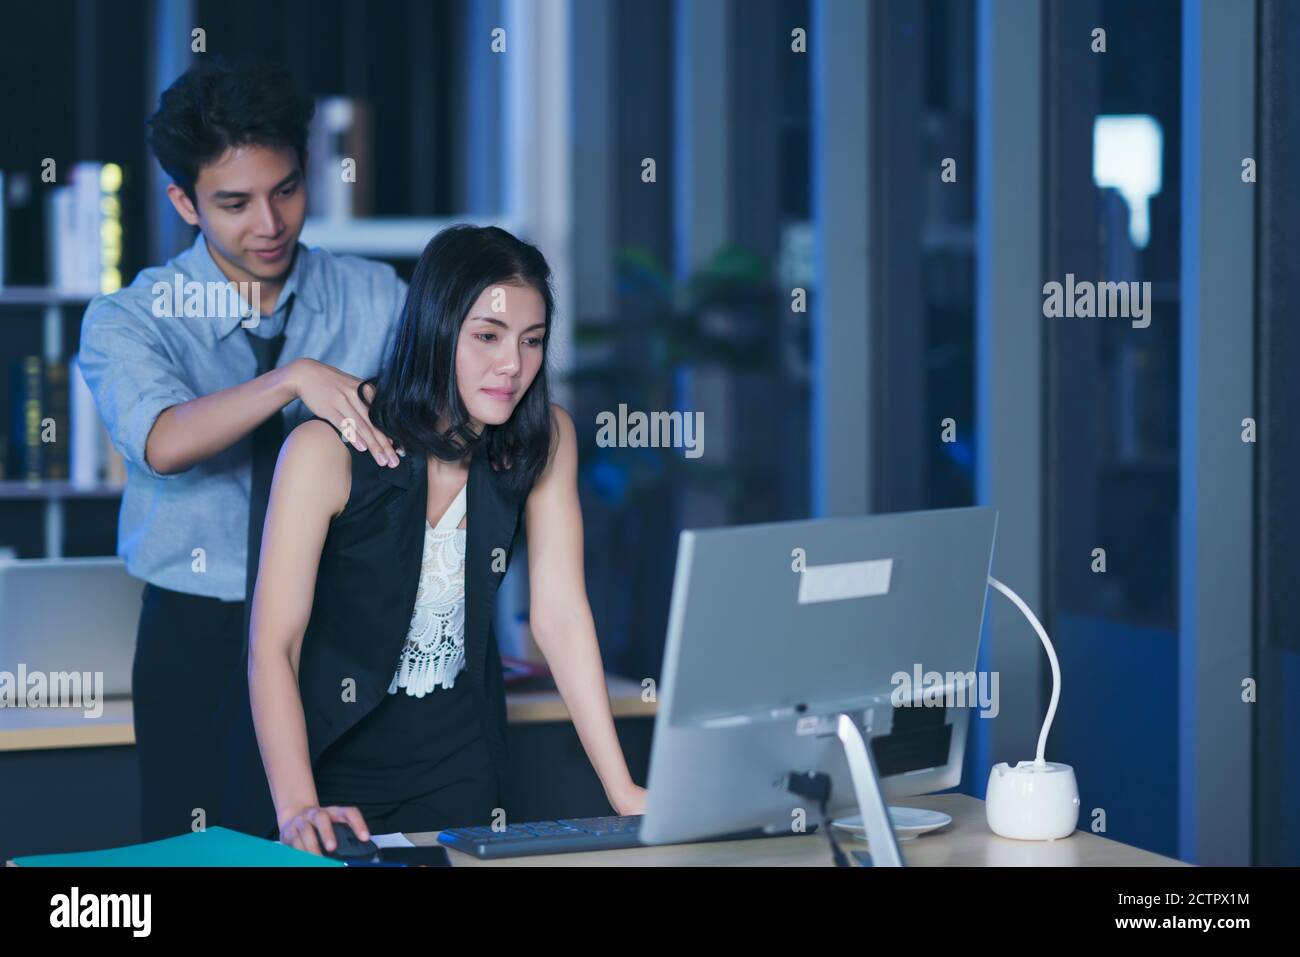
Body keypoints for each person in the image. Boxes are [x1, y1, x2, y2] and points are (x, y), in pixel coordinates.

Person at [77, 55, 407, 842]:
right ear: (184, 202)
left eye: (286, 190)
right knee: (196, 852)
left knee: (342, 843)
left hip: (339, 626)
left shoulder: (377, 298)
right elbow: (164, 441)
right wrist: (294, 380)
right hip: (196, 637)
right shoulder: (131, 318)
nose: (269, 224)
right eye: (234, 202)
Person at [237, 224, 648, 853]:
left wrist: (623, 790)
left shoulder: (544, 439)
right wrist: (298, 809)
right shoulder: (323, 449)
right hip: (330, 760)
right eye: (488, 336)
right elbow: (275, 645)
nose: (513, 365)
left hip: (460, 758)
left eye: (532, 341)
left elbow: (561, 615)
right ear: (435, 330)